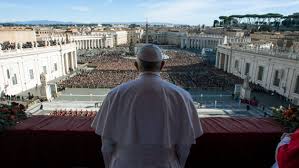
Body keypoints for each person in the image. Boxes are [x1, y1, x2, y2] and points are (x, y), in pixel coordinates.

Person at [92, 44, 203, 168]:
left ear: (136, 65)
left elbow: (106, 145)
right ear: (162, 65)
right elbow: (184, 146)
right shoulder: (183, 96)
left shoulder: (114, 94)